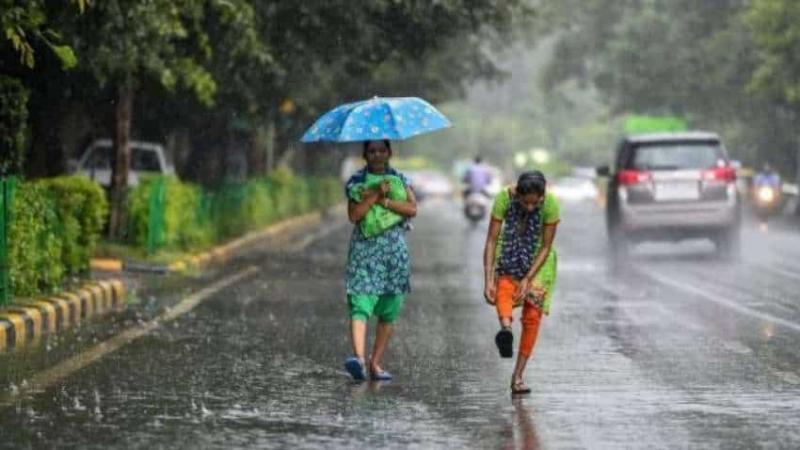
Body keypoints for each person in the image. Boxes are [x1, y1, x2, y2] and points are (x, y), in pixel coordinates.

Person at [343, 139, 417, 381]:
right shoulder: (356, 182)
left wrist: (386, 200)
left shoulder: (400, 179)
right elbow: (355, 215)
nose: (376, 155)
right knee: (360, 301)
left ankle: (375, 364)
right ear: (365, 154)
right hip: (365, 250)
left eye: (381, 151)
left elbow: (411, 209)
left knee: (389, 308)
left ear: (389, 153)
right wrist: (374, 194)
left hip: (393, 252)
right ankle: (360, 361)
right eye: (372, 151)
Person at [482, 171, 560, 394]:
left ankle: (518, 376)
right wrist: (488, 279)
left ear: (543, 197)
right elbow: (491, 240)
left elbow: (546, 246)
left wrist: (528, 279)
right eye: (525, 202)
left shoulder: (551, 204)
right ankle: (506, 330)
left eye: (535, 203)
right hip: (509, 252)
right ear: (517, 194)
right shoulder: (503, 199)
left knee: (532, 317)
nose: (529, 207)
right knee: (503, 289)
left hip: (539, 262)